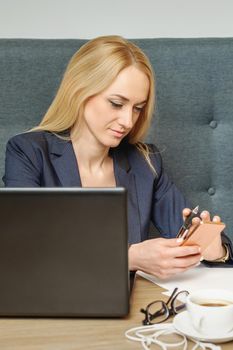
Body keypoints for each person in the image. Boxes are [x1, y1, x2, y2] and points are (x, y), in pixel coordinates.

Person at [3, 35, 232, 278]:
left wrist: (215, 249)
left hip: (132, 308)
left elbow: (197, 238)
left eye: (137, 108)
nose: (128, 121)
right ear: (80, 91)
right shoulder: (28, 152)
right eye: (116, 103)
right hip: (51, 303)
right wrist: (129, 257)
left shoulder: (146, 163)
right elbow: (22, 250)